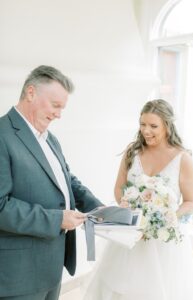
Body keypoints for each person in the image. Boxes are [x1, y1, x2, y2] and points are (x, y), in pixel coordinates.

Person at [0, 65, 104, 300]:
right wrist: (58, 219)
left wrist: (101, 210)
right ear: (31, 93)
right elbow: (1, 206)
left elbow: (68, 181)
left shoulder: (50, 138)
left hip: (51, 269)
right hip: (18, 275)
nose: (59, 114)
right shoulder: (2, 135)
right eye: (55, 105)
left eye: (62, 108)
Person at [83, 99, 193, 300]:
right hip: (131, 237)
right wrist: (129, 209)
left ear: (167, 125)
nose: (146, 131)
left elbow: (190, 202)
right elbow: (119, 188)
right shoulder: (132, 152)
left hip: (164, 242)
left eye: (153, 126)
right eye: (142, 124)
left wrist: (169, 216)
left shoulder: (183, 159)